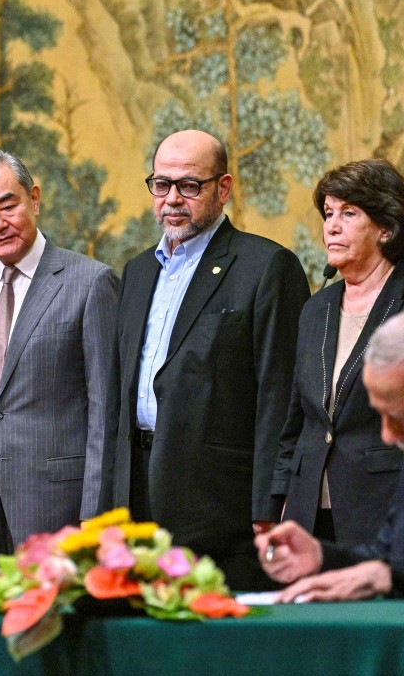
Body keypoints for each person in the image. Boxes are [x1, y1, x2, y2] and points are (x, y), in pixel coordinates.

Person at [113, 129, 310, 591]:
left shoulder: (266, 267)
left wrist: (269, 504)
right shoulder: (137, 271)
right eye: (161, 185)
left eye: (189, 185)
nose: (172, 199)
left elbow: (279, 396)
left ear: (223, 189)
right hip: (137, 495)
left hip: (223, 506)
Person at [0, 148, 119, 592]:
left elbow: (105, 415)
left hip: (58, 516)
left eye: (7, 205)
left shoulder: (91, 282)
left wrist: (95, 522)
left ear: (34, 198)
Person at [272, 159, 404, 547]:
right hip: (307, 508)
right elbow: (297, 420)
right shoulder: (317, 308)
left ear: (386, 227)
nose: (331, 225)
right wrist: (278, 500)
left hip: (387, 506)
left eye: (349, 213)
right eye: (329, 213)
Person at [257, 310, 404, 601]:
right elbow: (386, 554)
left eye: (400, 418)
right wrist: (321, 556)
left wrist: (388, 576)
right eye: (380, 416)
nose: (387, 436)